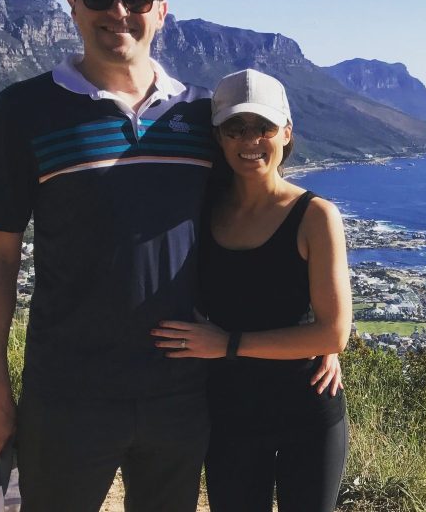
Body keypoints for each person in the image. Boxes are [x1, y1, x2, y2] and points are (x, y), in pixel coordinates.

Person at [0, 0, 216, 511]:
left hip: (181, 391)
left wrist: (318, 333)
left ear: (161, 10)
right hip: (69, 391)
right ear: (73, 4)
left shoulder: (203, 113)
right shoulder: (26, 109)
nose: (118, 10)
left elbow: (255, 227)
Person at [150, 69, 352, 512]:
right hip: (230, 414)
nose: (250, 140)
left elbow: (334, 334)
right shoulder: (202, 208)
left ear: (287, 133)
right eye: (235, 128)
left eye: (264, 127)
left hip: (308, 411)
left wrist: (228, 344)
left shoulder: (315, 216)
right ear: (218, 138)